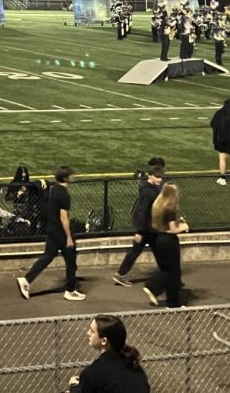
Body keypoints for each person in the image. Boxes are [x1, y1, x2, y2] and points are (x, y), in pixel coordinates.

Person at [17, 166, 84, 301]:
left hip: (52, 229)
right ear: (66, 178)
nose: (73, 177)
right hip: (61, 233)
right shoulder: (64, 194)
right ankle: (70, 290)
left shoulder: (53, 189)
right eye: (71, 175)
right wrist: (69, 237)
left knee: (47, 257)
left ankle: (27, 280)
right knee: (70, 260)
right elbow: (64, 217)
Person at [66, 314, 149, 392]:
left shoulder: (93, 373)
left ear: (104, 341)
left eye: (92, 331)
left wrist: (73, 386)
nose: (88, 333)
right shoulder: (134, 365)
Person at [112, 166, 164, 287]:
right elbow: (141, 212)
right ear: (150, 176)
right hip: (146, 230)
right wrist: (139, 231)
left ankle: (166, 274)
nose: (160, 179)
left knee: (152, 251)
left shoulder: (149, 187)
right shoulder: (148, 192)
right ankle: (120, 274)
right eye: (157, 177)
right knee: (138, 252)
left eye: (161, 177)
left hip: (150, 228)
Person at [143, 183, 189, 309]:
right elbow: (173, 229)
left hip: (160, 239)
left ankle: (170, 299)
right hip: (169, 241)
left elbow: (163, 225)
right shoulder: (170, 209)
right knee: (173, 272)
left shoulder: (158, 206)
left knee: (168, 270)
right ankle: (156, 288)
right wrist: (184, 227)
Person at [210, 99, 230, 187]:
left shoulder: (218, 113)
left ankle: (223, 178)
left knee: (222, 159)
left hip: (220, 139)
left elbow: (212, 124)